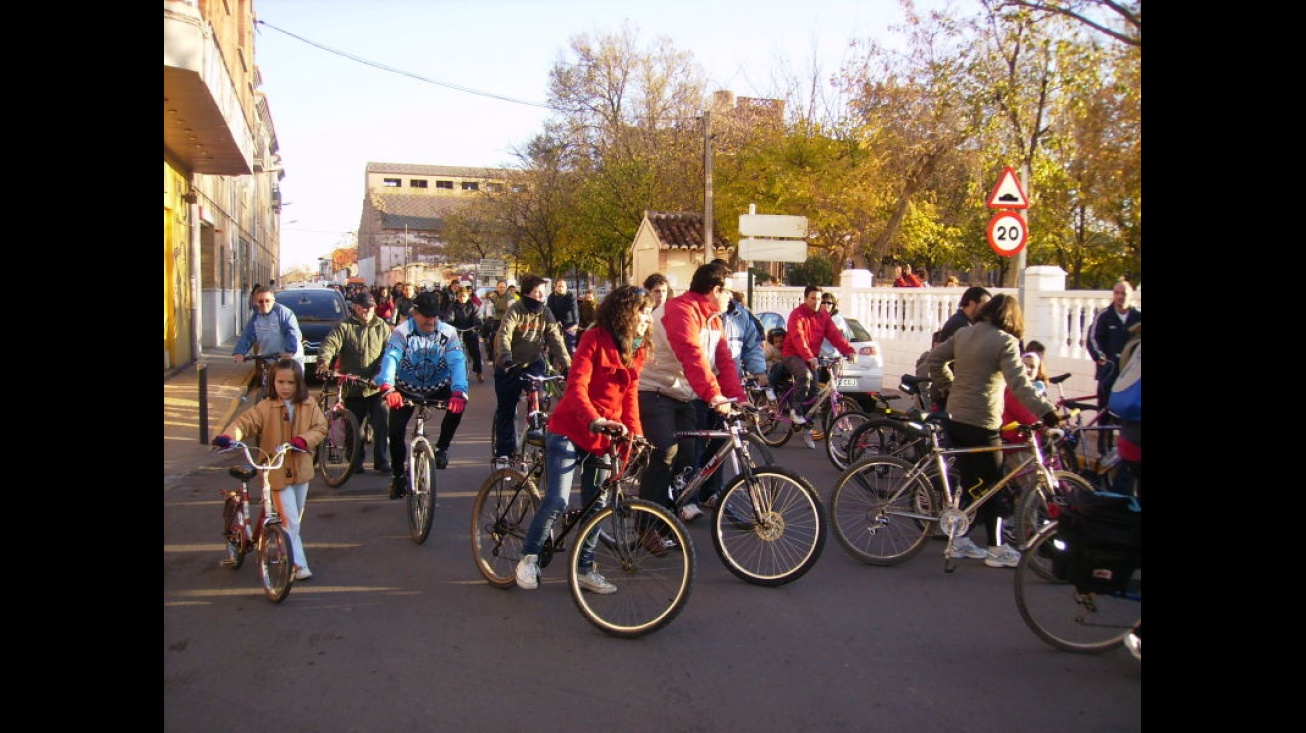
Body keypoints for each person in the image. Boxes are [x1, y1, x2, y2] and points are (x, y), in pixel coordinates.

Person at [515, 285, 654, 592]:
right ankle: (529, 558)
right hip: (570, 427)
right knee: (558, 499)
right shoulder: (594, 339)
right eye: (643, 311)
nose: (648, 318)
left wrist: (636, 436)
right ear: (625, 312)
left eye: (649, 312)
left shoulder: (637, 348)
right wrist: (593, 418)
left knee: (598, 503)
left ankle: (585, 568)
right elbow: (576, 385)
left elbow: (629, 396)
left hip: (604, 434)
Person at [924, 293, 1061, 569]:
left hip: (956, 416)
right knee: (993, 486)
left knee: (970, 481)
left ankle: (961, 539)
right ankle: (996, 549)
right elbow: (1020, 385)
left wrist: (950, 386)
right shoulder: (1005, 342)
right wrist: (1047, 412)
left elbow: (934, 359)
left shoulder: (964, 334)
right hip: (983, 421)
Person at [638, 261, 746, 525]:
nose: (731, 298)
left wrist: (739, 399)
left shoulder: (713, 320)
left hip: (683, 393)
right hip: (654, 389)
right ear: (715, 290)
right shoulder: (681, 311)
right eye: (728, 292)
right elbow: (692, 357)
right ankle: (646, 525)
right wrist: (714, 395)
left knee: (688, 457)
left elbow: (724, 362)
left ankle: (672, 513)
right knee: (665, 452)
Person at [212, 358, 327, 581]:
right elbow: (244, 423)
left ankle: (281, 548)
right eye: (280, 382)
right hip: (275, 471)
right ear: (272, 382)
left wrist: (303, 441)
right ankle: (298, 565)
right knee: (291, 521)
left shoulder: (309, 404)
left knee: (294, 519)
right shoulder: (265, 406)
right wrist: (229, 436)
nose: (285, 387)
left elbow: (321, 427)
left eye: (290, 382)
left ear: (299, 383)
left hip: (302, 471)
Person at [377, 290, 469, 499]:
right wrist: (388, 387)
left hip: (438, 385)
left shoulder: (448, 332)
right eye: (426, 315)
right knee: (396, 430)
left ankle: (442, 449)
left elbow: (457, 361)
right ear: (414, 313)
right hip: (405, 388)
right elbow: (391, 358)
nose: (431, 320)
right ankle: (399, 475)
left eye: (435, 315)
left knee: (460, 403)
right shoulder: (401, 332)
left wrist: (459, 390)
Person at [492, 274, 572, 467]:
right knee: (507, 408)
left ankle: (534, 438)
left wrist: (567, 364)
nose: (541, 297)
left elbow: (555, 339)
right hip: (509, 364)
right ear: (526, 293)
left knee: (541, 401)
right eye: (537, 293)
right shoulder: (515, 310)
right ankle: (504, 452)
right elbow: (504, 335)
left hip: (533, 362)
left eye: (543, 293)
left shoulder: (545, 312)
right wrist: (506, 360)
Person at [315, 290, 393, 474]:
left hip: (375, 386)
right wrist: (324, 362)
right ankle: (354, 460)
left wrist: (380, 371)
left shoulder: (382, 327)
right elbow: (330, 344)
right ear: (355, 308)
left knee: (381, 422)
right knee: (353, 425)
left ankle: (381, 460)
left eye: (370, 308)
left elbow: (389, 352)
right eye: (363, 308)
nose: (367, 311)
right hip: (352, 385)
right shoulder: (344, 326)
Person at [781, 285, 856, 449]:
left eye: (819, 299)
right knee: (805, 375)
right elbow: (798, 337)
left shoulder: (824, 316)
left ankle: (807, 429)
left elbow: (835, 336)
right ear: (806, 298)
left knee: (815, 394)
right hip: (793, 354)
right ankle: (796, 411)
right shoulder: (797, 315)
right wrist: (809, 356)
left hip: (811, 357)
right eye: (813, 298)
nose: (816, 302)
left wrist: (849, 350)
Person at [1086, 280, 1142, 452]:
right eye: (1117, 293)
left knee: (1128, 417)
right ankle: (1103, 451)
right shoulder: (1104, 315)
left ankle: (1125, 452)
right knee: (1105, 415)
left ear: (1130, 295)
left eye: (1123, 293)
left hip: (1130, 377)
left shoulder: (1137, 317)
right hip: (1109, 375)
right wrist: (1103, 359)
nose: (1119, 297)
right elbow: (1092, 339)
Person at [233, 286, 304, 369]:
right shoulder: (255, 318)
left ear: (273, 301)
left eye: (267, 300)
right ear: (256, 302)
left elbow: (292, 332)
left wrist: (290, 351)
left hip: (291, 359)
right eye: (260, 301)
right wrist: (239, 352)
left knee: (292, 381)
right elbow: (247, 336)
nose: (264, 304)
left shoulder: (283, 313)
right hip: (271, 361)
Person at [443, 284, 484, 383]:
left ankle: (479, 372)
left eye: (464, 296)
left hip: (471, 332)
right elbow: (448, 318)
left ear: (468, 296)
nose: (462, 298)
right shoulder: (452, 306)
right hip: (457, 333)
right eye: (460, 295)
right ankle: (451, 373)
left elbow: (478, 318)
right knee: (452, 352)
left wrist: (477, 325)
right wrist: (448, 325)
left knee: (476, 352)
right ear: (457, 296)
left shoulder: (473, 306)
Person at [546, 278, 580, 354]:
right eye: (559, 286)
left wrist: (576, 324)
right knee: (555, 345)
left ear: (566, 287)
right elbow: (549, 311)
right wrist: (555, 321)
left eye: (563, 286)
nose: (561, 288)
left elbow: (574, 310)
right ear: (555, 287)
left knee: (571, 346)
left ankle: (573, 362)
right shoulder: (551, 297)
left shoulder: (570, 296)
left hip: (569, 323)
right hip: (556, 323)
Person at [485, 279, 515, 363]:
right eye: (500, 287)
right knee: (492, 337)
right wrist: (489, 315)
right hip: (496, 319)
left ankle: (511, 355)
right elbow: (489, 307)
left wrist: (510, 316)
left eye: (504, 287)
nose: (502, 289)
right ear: (497, 287)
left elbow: (511, 306)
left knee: (511, 337)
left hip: (507, 320)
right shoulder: (493, 296)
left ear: (506, 288)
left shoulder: (509, 296)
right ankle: (490, 356)